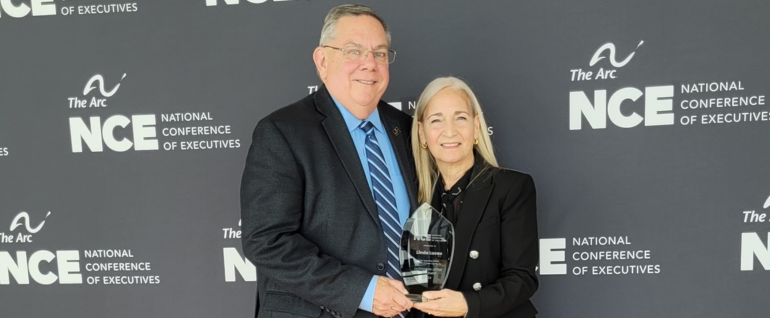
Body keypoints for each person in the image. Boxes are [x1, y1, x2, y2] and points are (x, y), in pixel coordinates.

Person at [240, 4, 416, 318]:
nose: (369, 64)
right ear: (322, 61)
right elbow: (267, 241)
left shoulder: (406, 129)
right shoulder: (282, 131)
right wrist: (363, 291)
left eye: (379, 53)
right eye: (353, 51)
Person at [409, 77, 539, 318]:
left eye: (460, 118)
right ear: (422, 133)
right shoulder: (415, 199)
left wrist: (469, 304)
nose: (450, 131)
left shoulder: (511, 187)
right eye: (436, 120)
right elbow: (418, 285)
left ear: (476, 126)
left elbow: (522, 279)